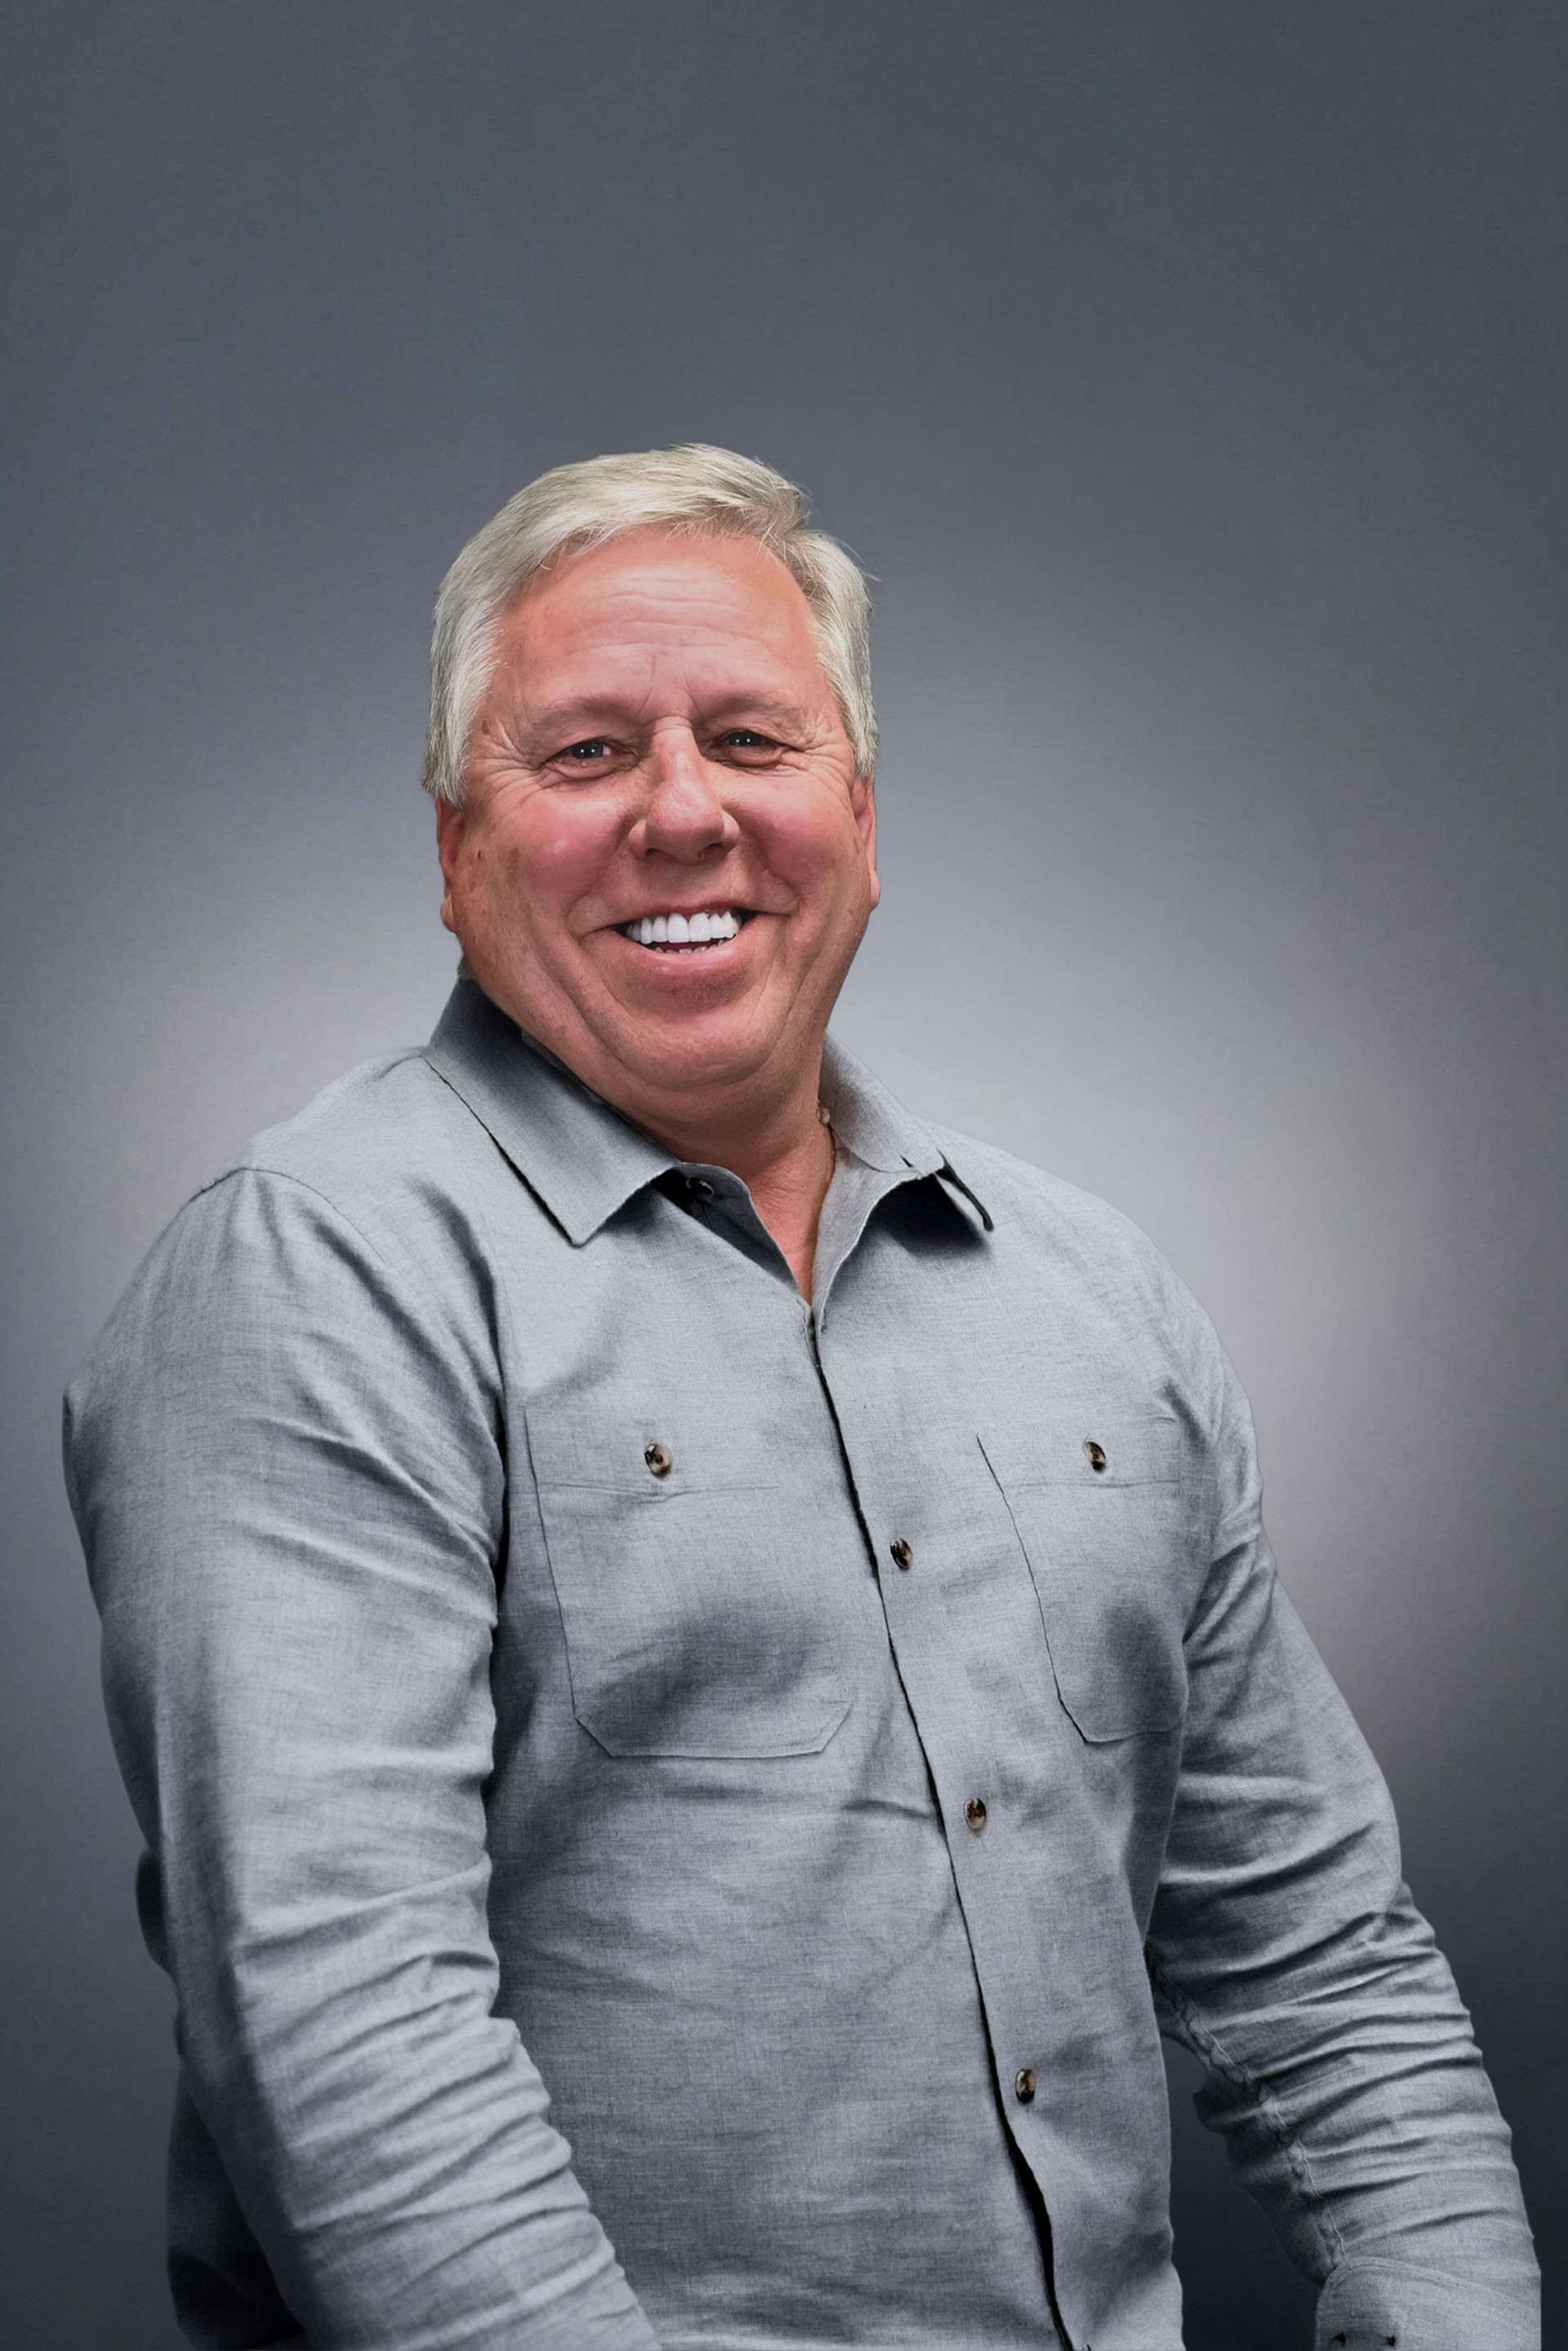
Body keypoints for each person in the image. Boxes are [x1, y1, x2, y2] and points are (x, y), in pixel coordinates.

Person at [65, 445, 1539, 2351]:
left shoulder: (1098, 1295)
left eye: (753, 738)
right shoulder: (319, 1272)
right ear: (454, 849)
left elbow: (1321, 1962)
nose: (686, 812)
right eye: (586, 752)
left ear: (858, 807)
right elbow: (339, 2021)